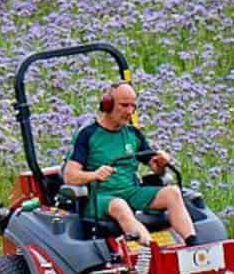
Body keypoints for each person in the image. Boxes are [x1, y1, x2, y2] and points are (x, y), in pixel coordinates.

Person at [62, 81, 197, 245]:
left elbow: (155, 168)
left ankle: (193, 245)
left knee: (173, 192)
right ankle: (153, 252)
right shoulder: (88, 135)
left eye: (133, 106)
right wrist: (95, 174)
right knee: (120, 205)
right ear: (107, 104)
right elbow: (70, 175)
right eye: (124, 105)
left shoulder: (133, 134)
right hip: (100, 197)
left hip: (131, 191)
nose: (130, 111)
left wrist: (161, 162)